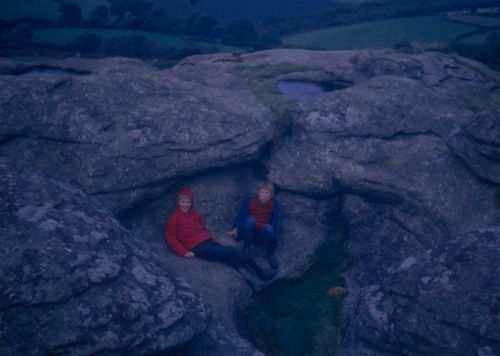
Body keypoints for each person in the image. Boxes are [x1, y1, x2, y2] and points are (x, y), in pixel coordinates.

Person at [165, 188, 275, 281]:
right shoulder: (174, 218)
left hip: (208, 243)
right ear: (178, 203)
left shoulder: (195, 215)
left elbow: (203, 229)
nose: (186, 205)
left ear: (191, 203)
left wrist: (213, 241)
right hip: (197, 248)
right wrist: (183, 252)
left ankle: (252, 280)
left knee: (229, 258)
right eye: (183, 202)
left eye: (188, 202)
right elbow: (170, 237)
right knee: (233, 251)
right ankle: (261, 273)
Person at [228, 181, 281, 269]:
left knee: (269, 228)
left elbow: (276, 223)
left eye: (266, 193)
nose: (264, 195)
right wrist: (236, 228)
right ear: (258, 193)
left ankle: (270, 253)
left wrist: (274, 239)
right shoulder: (250, 201)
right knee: (250, 220)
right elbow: (241, 216)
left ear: (271, 195)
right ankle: (246, 248)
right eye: (262, 192)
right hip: (250, 230)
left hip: (262, 232)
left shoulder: (275, 205)